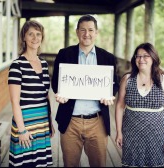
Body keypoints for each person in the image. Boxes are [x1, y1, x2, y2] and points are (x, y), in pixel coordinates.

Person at [51, 14, 119, 167]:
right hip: (70, 121)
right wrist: (60, 93)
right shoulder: (64, 54)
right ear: (77, 32)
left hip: (97, 122)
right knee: (70, 164)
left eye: (90, 30)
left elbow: (114, 83)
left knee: (99, 164)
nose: (86, 34)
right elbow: (56, 82)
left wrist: (110, 94)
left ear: (96, 33)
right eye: (82, 30)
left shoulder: (107, 58)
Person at [115, 42, 164, 167]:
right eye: (138, 56)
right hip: (131, 133)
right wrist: (119, 132)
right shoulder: (127, 79)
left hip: (156, 135)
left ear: (153, 58)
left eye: (145, 56)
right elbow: (120, 106)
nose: (141, 59)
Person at [8, 20, 55, 167]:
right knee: (25, 163)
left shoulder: (44, 64)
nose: (35, 38)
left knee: (40, 162)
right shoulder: (17, 65)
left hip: (42, 123)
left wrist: (50, 122)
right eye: (31, 34)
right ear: (24, 38)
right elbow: (15, 101)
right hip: (25, 124)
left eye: (38, 34)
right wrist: (21, 130)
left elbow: (46, 95)